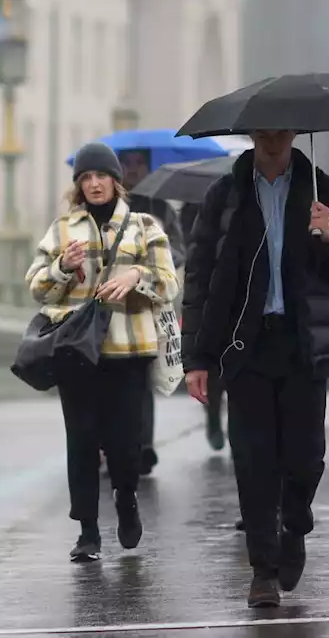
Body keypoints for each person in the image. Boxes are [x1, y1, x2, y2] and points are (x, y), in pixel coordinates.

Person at [182, 130, 329, 607]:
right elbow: (200, 277)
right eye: (263, 130)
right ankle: (263, 570)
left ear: (292, 133)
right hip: (246, 345)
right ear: (253, 135)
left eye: (281, 129)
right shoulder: (225, 197)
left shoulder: (322, 189)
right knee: (253, 460)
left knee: (305, 457)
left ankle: (296, 523)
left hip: (304, 343)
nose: (272, 138)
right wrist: (197, 358)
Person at [26, 142, 180, 563]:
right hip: (76, 350)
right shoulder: (62, 229)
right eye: (86, 178)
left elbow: (169, 283)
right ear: (78, 185)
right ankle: (88, 531)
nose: (94, 184)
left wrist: (137, 274)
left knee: (125, 444)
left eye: (101, 176)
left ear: (116, 180)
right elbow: (36, 285)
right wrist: (60, 267)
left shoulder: (145, 225)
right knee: (81, 441)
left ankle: (127, 498)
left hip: (129, 350)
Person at [118, 148, 186, 474]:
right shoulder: (109, 208)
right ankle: (113, 445)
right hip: (114, 306)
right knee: (114, 377)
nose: (133, 170)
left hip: (151, 305)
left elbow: (180, 252)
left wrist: (156, 250)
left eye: (138, 164)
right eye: (127, 164)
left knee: (144, 375)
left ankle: (143, 445)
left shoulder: (161, 208)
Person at [179, 203, 225, 451]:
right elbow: (193, 258)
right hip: (210, 301)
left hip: (238, 302)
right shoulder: (192, 210)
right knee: (214, 375)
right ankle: (214, 421)